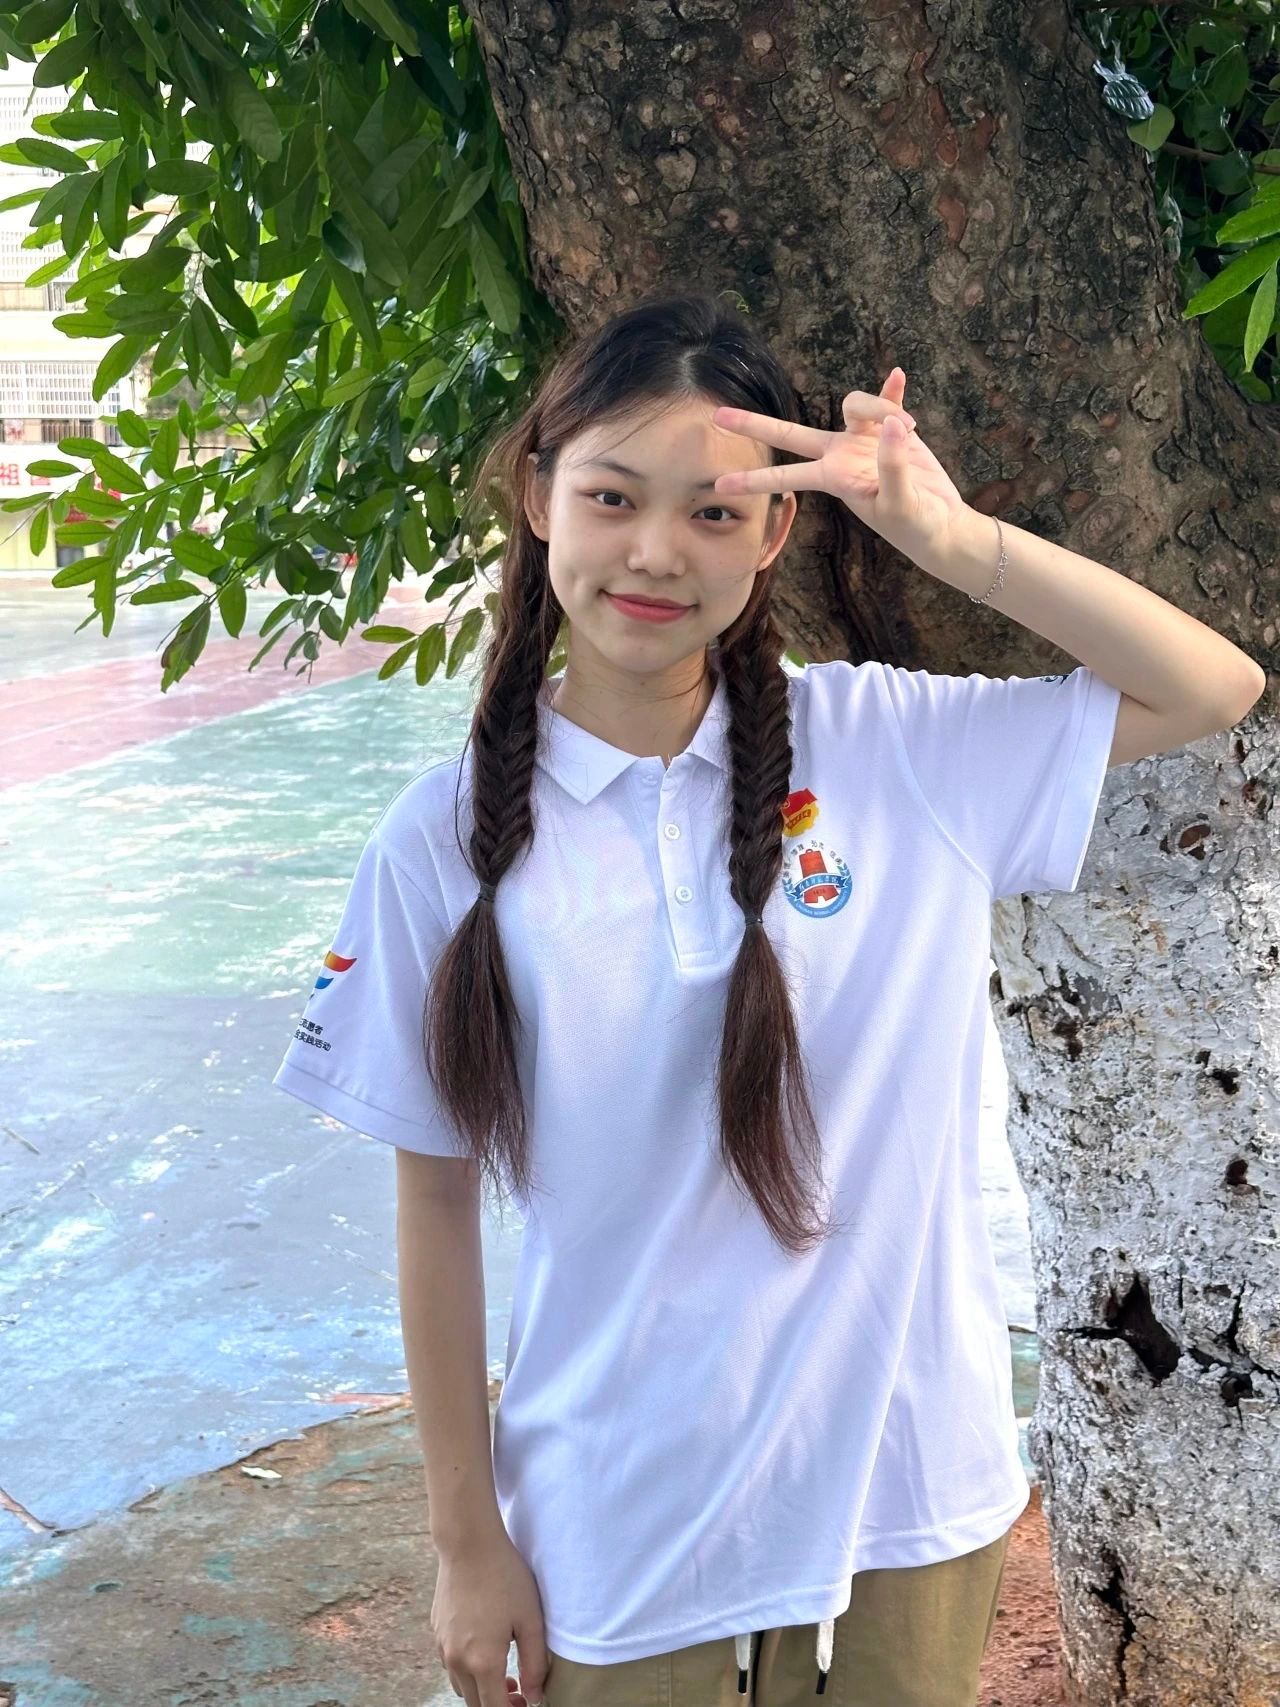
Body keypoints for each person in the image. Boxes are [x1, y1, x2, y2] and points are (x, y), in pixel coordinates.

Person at [271, 289, 1261, 1707]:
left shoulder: (891, 748)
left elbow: (1212, 686)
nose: (656, 551)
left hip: (904, 1496)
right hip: (617, 1518)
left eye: (715, 512)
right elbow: (433, 1207)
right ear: (539, 497)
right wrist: (465, 1543)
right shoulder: (441, 839)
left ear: (776, 531)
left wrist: (953, 540)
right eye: (613, 496)